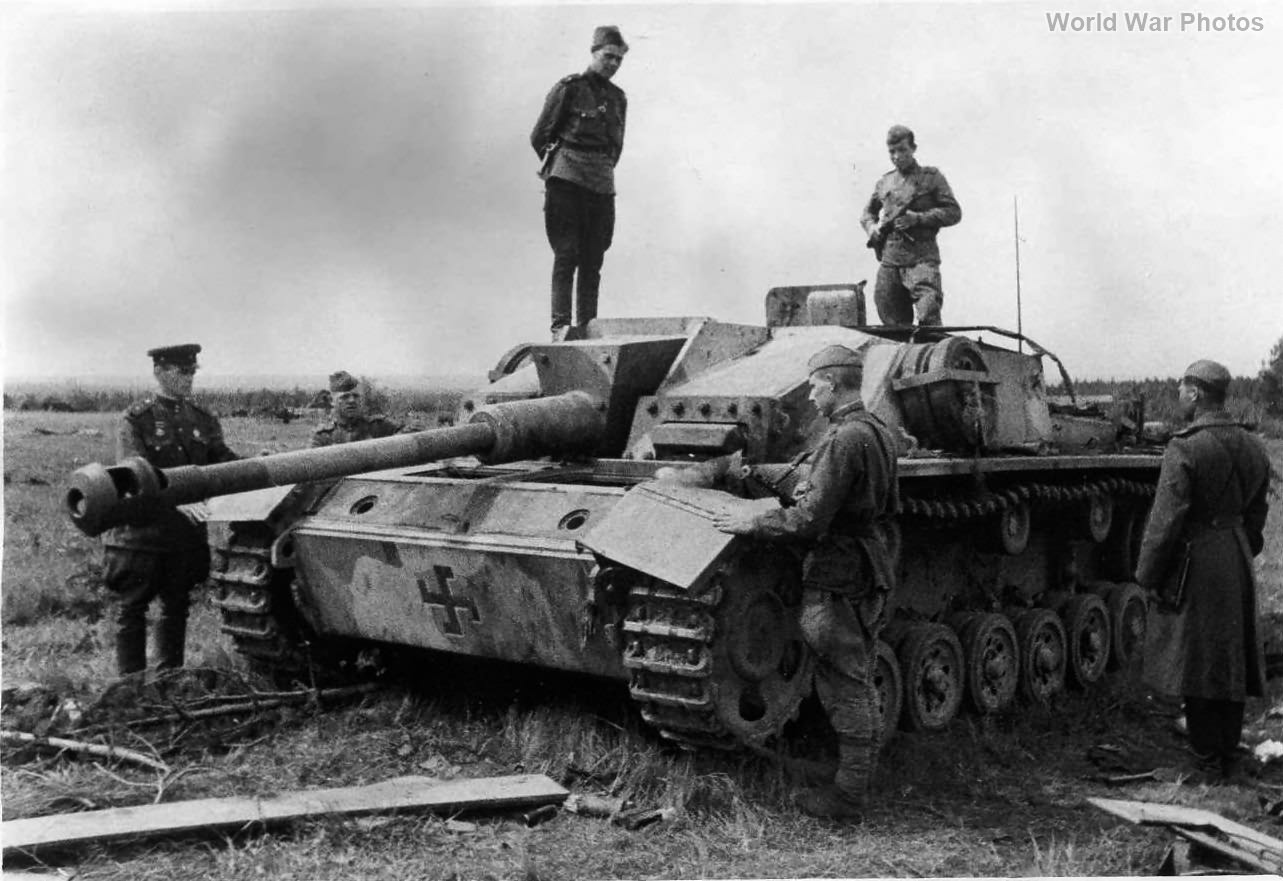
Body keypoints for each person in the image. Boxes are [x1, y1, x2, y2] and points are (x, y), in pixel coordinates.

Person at [712, 344, 900, 820]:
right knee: (851, 675)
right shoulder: (874, 431)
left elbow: (810, 519)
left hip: (836, 572)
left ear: (833, 385)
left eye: (815, 385)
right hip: (864, 563)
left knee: (846, 683)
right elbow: (814, 480)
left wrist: (751, 524)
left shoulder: (842, 440)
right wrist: (752, 473)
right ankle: (849, 781)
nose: (810, 394)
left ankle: (848, 799)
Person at [1136, 359, 1271, 781]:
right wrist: (1241, 545)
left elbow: (1164, 522)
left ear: (1195, 393)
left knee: (1197, 656)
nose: (1178, 397)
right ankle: (1227, 749)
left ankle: (1205, 758)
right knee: (1230, 652)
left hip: (1197, 558)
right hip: (1236, 553)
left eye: (1181, 390)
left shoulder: (1185, 447)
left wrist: (1148, 575)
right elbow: (1258, 514)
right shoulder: (1255, 446)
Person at [101, 343, 240, 676]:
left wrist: (264, 466)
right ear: (159, 371)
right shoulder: (136, 419)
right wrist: (178, 502)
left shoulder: (203, 419)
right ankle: (132, 685)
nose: (188, 377)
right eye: (181, 371)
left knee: (176, 608)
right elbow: (136, 474)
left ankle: (168, 681)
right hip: (142, 534)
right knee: (132, 609)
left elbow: (222, 462)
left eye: (192, 371)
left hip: (184, 536)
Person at [530, 25, 628, 341]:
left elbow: (616, 145)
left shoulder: (618, 98)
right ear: (594, 53)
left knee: (594, 257)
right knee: (567, 252)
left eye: (618, 59)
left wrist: (599, 169)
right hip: (567, 179)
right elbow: (540, 135)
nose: (612, 63)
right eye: (608, 56)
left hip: (600, 182)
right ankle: (561, 326)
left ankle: (588, 327)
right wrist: (563, 164)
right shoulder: (569, 88)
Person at [859, 125, 962, 327]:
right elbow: (867, 214)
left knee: (928, 317)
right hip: (891, 260)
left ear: (913, 148)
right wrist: (872, 228)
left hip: (921, 259)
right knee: (891, 320)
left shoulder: (931, 178)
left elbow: (953, 212)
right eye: (892, 152)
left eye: (902, 150)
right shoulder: (884, 182)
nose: (897, 156)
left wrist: (918, 218)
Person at [310, 371, 406, 447]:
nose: (352, 400)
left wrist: (383, 447)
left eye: (355, 396)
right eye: (345, 397)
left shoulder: (377, 426)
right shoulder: (323, 437)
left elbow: (411, 431)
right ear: (332, 401)